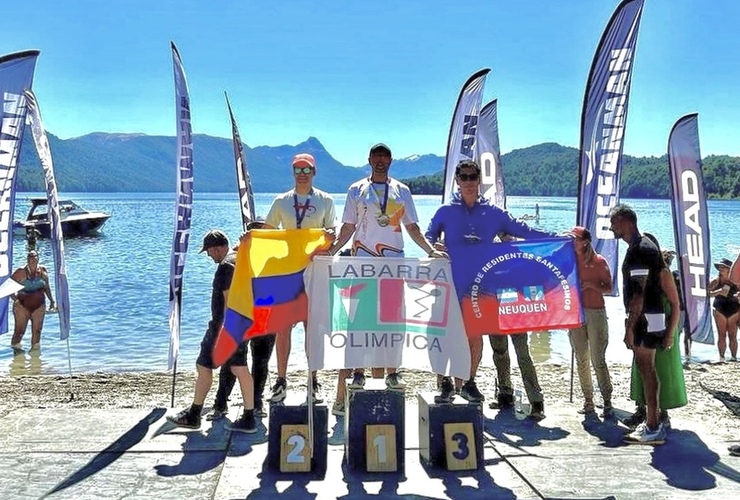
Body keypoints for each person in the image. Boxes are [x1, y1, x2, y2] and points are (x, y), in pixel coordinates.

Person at [425, 159, 555, 421]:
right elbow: (428, 237)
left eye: (474, 177)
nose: (470, 181)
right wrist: (432, 248)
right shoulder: (445, 211)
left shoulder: (493, 213)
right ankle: (445, 384)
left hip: (480, 287)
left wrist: (557, 237)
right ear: (457, 181)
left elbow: (524, 231)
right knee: (445, 335)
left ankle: (470, 381)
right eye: (464, 177)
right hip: (450, 283)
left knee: (475, 337)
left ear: (479, 181)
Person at [327, 142, 444, 416]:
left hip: (393, 264)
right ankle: (354, 377)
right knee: (359, 321)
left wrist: (429, 250)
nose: (380, 161)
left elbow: (412, 227)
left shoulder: (402, 190)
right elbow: (348, 227)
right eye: (376, 157)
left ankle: (390, 374)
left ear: (391, 161)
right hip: (363, 263)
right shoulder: (356, 189)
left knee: (390, 322)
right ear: (369, 160)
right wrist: (330, 252)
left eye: (385, 158)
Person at [264, 153, 336, 404]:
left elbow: (332, 236)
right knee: (283, 329)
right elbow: (267, 234)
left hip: (314, 273)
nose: (302, 174)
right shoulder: (281, 201)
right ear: (292, 172)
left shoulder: (325, 200)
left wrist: (328, 239)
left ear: (314, 172)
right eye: (298, 169)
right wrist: (246, 245)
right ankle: (281, 380)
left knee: (311, 329)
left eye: (307, 170)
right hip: (286, 274)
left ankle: (312, 379)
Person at [168, 230, 257, 433]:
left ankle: (194, 414)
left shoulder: (225, 267)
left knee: (204, 365)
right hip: (244, 324)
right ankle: (249, 416)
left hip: (224, 327)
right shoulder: (240, 259)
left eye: (209, 252)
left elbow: (228, 302)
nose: (209, 256)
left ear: (217, 248)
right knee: (239, 369)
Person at [609, 204, 680, 445]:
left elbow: (638, 293)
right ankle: (654, 420)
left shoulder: (640, 249)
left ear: (627, 222)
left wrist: (630, 327)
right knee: (648, 369)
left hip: (645, 319)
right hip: (653, 317)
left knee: (647, 369)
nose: (611, 227)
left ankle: (653, 425)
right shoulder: (647, 248)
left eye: (614, 222)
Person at [208, 218, 275, 420]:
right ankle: (222, 404)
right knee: (237, 362)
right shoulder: (233, 261)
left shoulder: (273, 260)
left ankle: (252, 403)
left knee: (257, 362)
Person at [566, 226, 614, 416]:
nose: (573, 242)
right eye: (572, 239)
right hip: (576, 313)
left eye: (575, 239)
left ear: (585, 241)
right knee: (581, 358)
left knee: (597, 358)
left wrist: (591, 285)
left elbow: (609, 287)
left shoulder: (599, 261)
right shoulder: (569, 259)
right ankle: (588, 400)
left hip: (595, 312)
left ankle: (607, 400)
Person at [10, 250, 55, 351]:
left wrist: (52, 301)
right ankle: (16, 356)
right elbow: (9, 287)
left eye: (34, 258)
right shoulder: (20, 272)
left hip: (39, 305)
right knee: (19, 332)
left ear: (38, 258)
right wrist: (15, 300)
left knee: (37, 331)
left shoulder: (43, 271)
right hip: (22, 306)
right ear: (27, 260)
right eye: (30, 258)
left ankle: (35, 359)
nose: (32, 260)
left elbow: (47, 287)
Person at [708, 258, 739, 362]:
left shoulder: (736, 281)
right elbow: (705, 294)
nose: (720, 269)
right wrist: (718, 292)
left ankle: (733, 357)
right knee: (721, 334)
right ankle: (721, 357)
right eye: (719, 267)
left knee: (732, 335)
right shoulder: (716, 281)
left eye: (723, 267)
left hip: (734, 309)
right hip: (719, 308)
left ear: (729, 269)